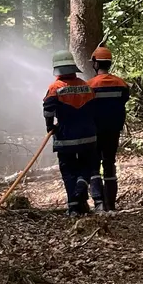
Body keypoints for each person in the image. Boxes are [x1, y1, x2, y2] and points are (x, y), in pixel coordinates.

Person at [43, 50, 102, 215]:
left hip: (65, 138)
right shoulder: (86, 86)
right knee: (87, 166)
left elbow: (48, 110)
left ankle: (74, 207)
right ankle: (82, 183)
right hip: (88, 136)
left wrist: (50, 126)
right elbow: (94, 109)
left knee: (68, 171)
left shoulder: (55, 88)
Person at [86, 45, 131, 211]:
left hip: (95, 131)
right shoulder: (122, 84)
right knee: (109, 164)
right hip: (113, 131)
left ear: (96, 64)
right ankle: (111, 203)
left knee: (94, 165)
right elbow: (124, 100)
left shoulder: (89, 85)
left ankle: (98, 203)